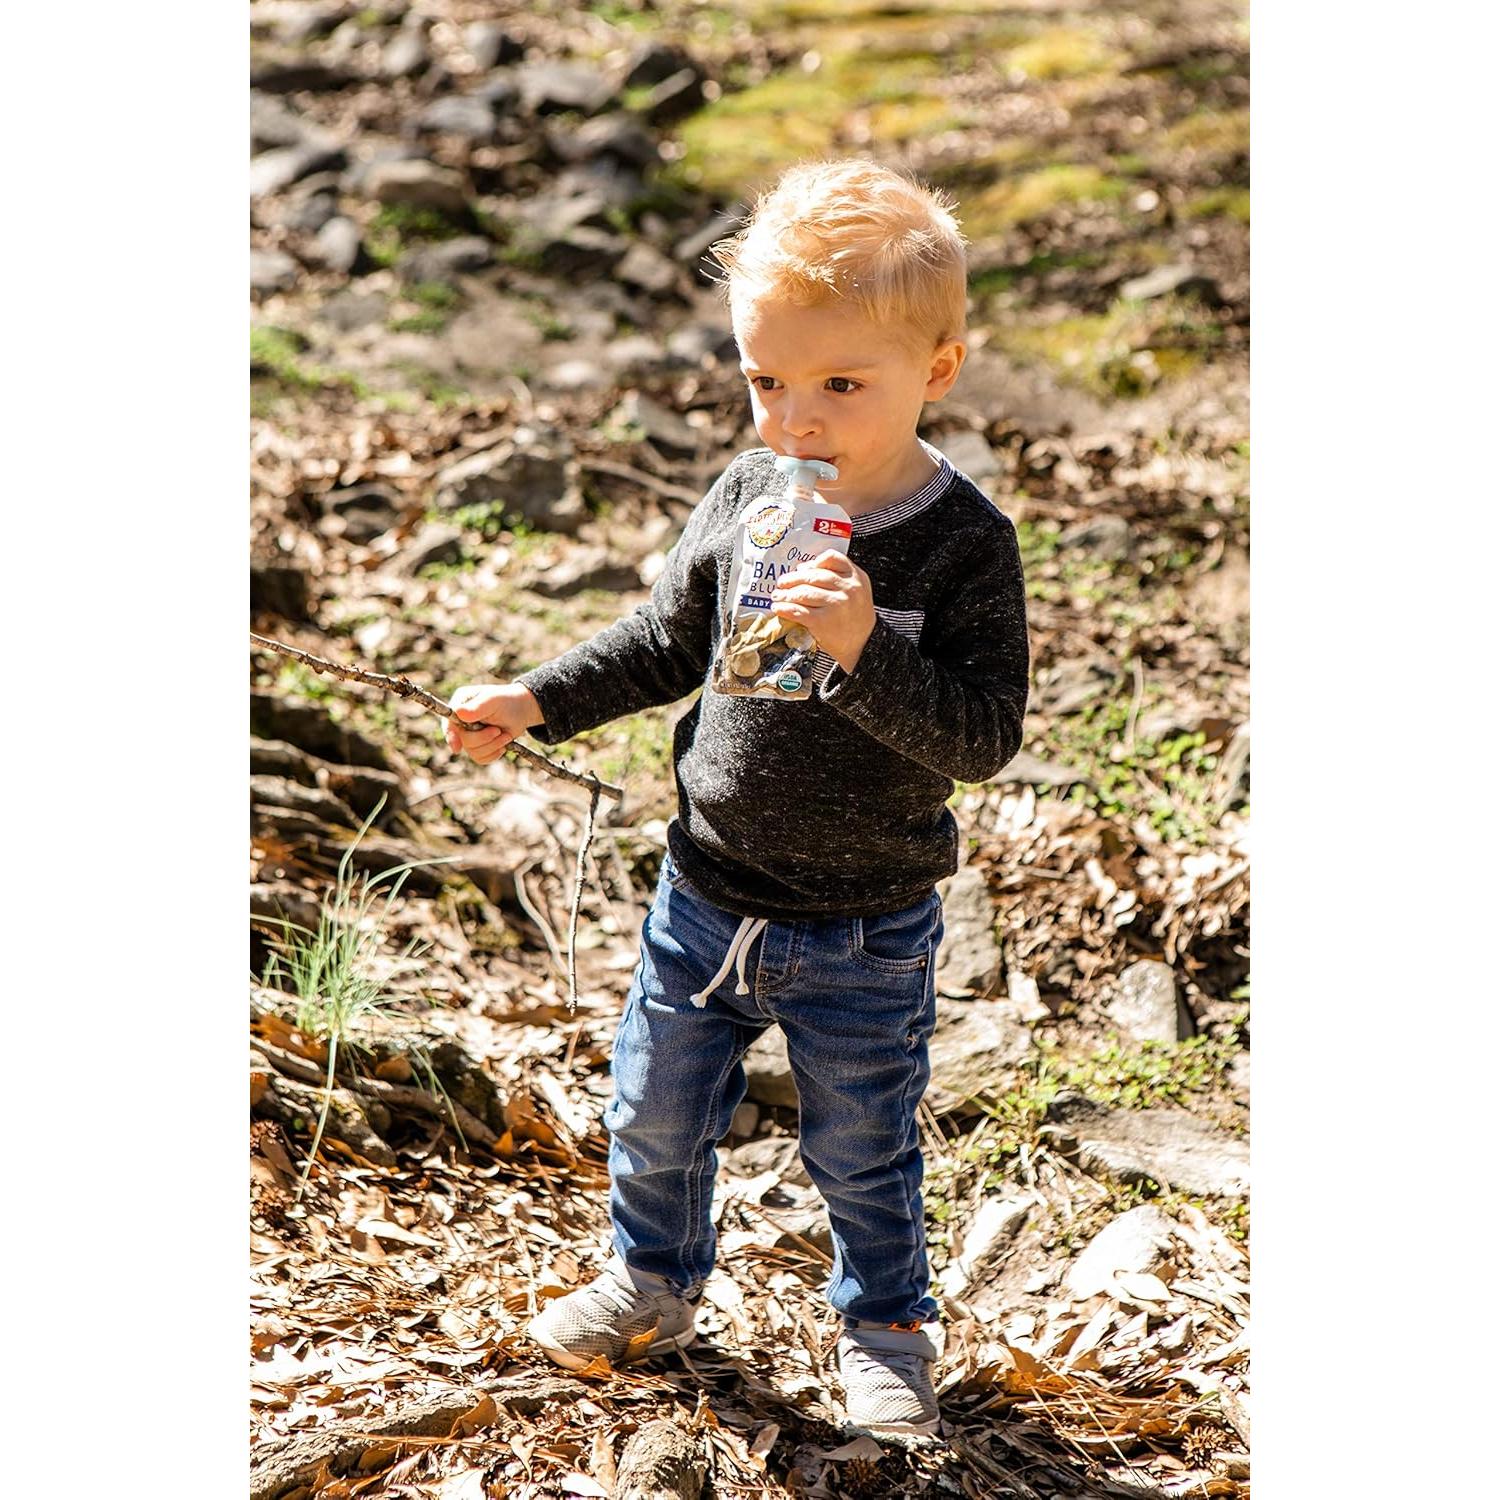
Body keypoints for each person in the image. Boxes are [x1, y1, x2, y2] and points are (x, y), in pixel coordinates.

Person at [444, 157, 1029, 1437]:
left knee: (862, 1145)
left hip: (865, 924)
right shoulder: (750, 496)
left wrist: (873, 648)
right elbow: (666, 643)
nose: (794, 420)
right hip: (704, 889)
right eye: (765, 381)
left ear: (937, 370)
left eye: (838, 385)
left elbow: (985, 739)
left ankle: (884, 1327)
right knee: (654, 1110)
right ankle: (651, 1280)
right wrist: (532, 699)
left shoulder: (963, 542)